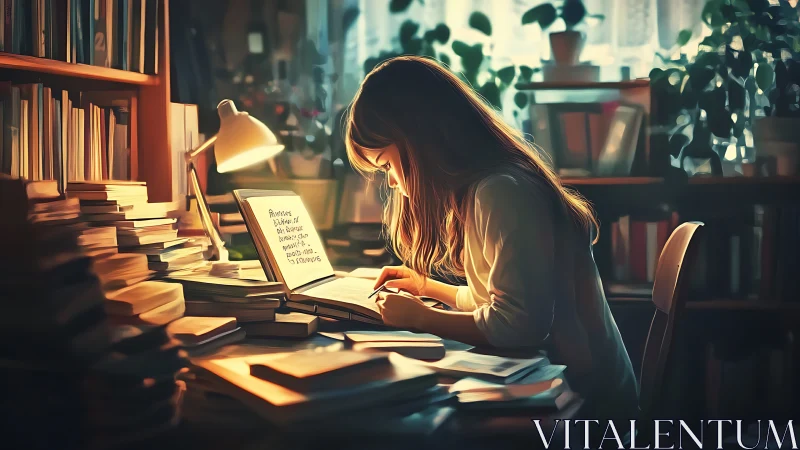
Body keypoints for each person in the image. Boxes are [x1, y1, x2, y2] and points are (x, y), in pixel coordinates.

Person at [344, 56, 639, 421]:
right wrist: (428, 288)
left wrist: (422, 318)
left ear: (420, 141)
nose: (389, 181)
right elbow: (496, 301)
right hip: (570, 386)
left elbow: (519, 326)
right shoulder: (486, 188)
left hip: (587, 403)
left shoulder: (501, 191)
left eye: (386, 164)